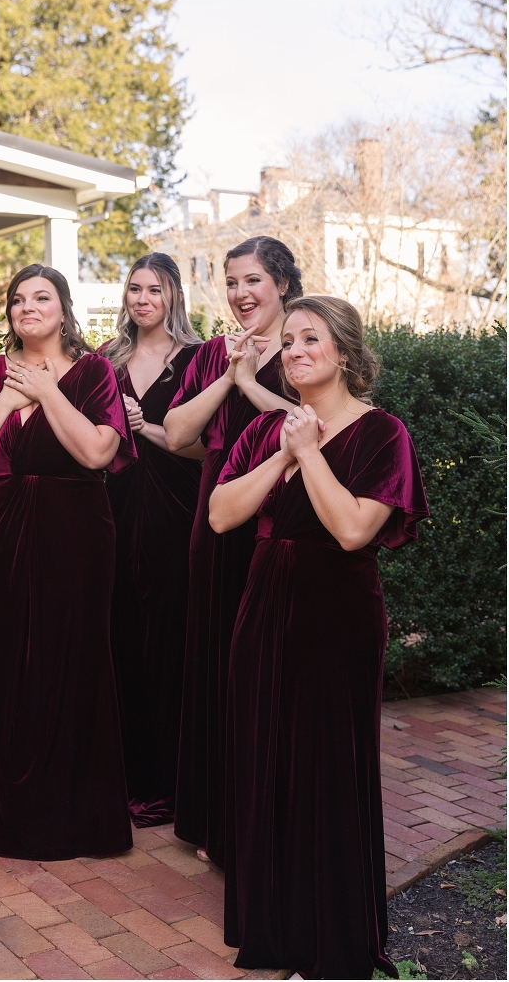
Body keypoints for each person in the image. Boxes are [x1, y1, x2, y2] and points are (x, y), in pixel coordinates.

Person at [210, 295, 429, 980]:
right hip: (263, 609)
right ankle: (275, 929)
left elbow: (352, 529)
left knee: (328, 767)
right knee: (265, 761)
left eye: (313, 338)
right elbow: (221, 515)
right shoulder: (267, 433)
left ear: (344, 352)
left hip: (337, 614)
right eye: (292, 339)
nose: (297, 349)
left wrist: (310, 453)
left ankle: (331, 940)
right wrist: (280, 456)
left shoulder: (381, 433)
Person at [0, 264, 136, 860]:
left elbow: (97, 451)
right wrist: (8, 394)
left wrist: (47, 389)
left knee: (72, 661)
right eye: (17, 300)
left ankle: (75, 819)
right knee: (2, 663)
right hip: (0, 530)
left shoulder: (95, 371)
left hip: (77, 533)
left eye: (41, 297)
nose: (28, 307)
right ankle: (2, 820)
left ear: (64, 308)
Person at [163, 236, 300, 867]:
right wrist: (229, 376)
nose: (241, 295)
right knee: (216, 658)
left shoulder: (306, 344)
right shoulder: (213, 353)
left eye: (253, 281)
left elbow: (314, 431)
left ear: (281, 282)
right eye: (232, 282)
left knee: (271, 665)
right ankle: (218, 821)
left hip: (283, 517)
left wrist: (255, 382)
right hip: (216, 517)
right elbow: (178, 433)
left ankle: (267, 820)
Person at [101, 253, 204, 827]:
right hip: (113, 508)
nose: (143, 300)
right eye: (135, 288)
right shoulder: (104, 360)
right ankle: (123, 779)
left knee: (170, 638)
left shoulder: (195, 360)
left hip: (174, 506)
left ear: (174, 296)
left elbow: (209, 446)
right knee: (118, 635)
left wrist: (151, 429)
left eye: (155, 290)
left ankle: (168, 783)